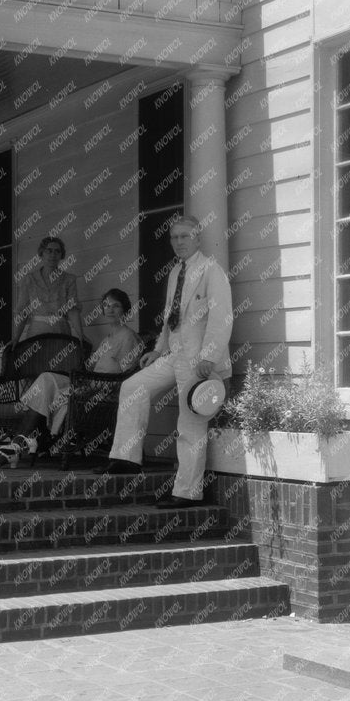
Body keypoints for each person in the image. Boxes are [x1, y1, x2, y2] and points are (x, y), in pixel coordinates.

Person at [101, 214, 232, 502]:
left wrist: (209, 357)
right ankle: (126, 459)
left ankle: (186, 493)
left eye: (185, 236)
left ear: (197, 238)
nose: (178, 242)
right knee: (133, 387)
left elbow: (221, 319)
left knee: (190, 421)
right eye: (174, 237)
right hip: (175, 354)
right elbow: (169, 318)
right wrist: (158, 349)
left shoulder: (212, 271)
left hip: (198, 359)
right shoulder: (175, 272)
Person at [0, 288, 143, 469]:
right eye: (106, 305)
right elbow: (90, 368)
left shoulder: (128, 337)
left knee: (49, 393)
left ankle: (16, 446)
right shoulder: (108, 339)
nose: (110, 309)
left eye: (116, 306)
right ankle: (21, 443)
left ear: (125, 310)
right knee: (47, 379)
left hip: (103, 393)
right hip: (88, 383)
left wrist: (93, 387)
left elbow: (128, 377)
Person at [12, 236, 86, 346]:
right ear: (42, 253)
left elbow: (72, 310)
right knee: (38, 362)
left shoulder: (69, 279)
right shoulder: (29, 279)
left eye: (57, 251)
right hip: (36, 333)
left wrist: (81, 336)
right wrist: (16, 338)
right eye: (49, 251)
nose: (53, 255)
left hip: (61, 332)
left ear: (62, 255)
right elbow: (23, 312)